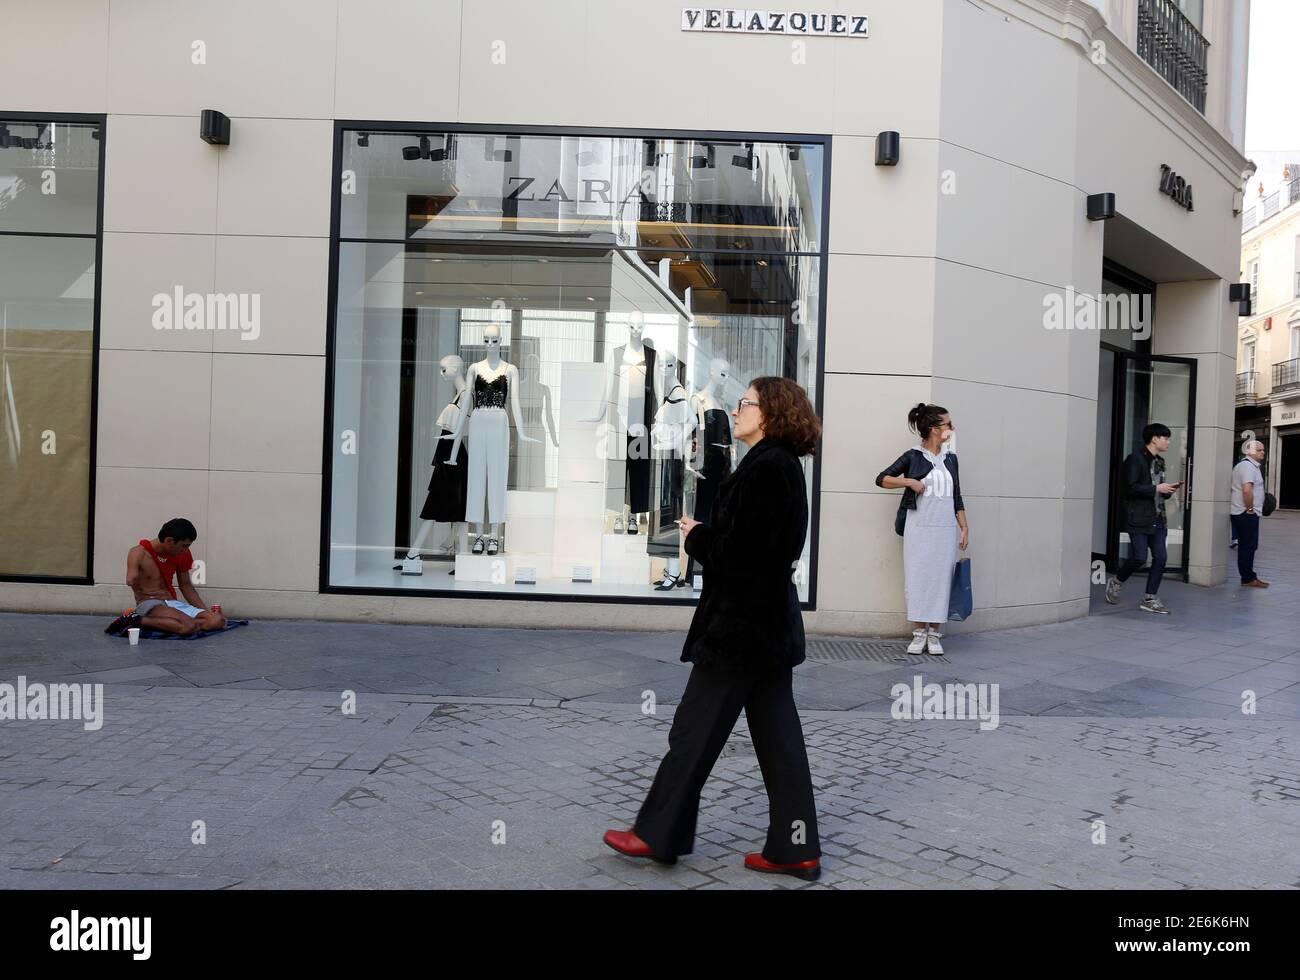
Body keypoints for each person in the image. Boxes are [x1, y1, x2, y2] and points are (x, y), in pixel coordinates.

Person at [603, 376, 823, 880]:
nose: (737, 409)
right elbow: (760, 547)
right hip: (765, 629)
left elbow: (745, 558)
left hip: (740, 631)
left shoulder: (770, 468)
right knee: (779, 742)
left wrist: (700, 539)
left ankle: (657, 834)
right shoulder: (775, 465)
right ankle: (796, 848)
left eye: (746, 403)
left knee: (693, 732)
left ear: (769, 413)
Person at [875, 403, 969, 656]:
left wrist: (964, 527)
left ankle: (935, 634)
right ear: (933, 429)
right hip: (919, 529)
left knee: (941, 579)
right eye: (948, 424)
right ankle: (919, 634)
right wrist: (909, 481)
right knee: (918, 578)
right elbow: (882, 478)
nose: (952, 428)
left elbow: (956, 495)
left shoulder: (951, 459)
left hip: (945, 529)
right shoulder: (913, 456)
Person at [106, 518, 228, 636]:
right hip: (150, 603)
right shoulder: (138, 552)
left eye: (188, 546)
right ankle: (135, 619)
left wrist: (206, 613)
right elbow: (130, 580)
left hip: (171, 602)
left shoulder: (181, 553)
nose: (186, 550)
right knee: (189, 626)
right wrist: (135, 574)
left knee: (217, 620)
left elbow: (186, 586)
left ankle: (175, 623)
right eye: (184, 545)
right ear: (169, 541)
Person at [1105, 423, 1179, 614]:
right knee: (1138, 557)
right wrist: (1156, 488)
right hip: (1138, 517)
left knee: (1161, 558)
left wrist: (1167, 490)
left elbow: (1158, 490)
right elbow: (1129, 487)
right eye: (1166, 438)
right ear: (1154, 438)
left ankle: (1150, 598)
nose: (1168, 442)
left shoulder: (1160, 461)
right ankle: (1117, 581)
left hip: (1158, 516)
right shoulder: (1135, 459)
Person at [1229, 440, 1269, 589]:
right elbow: (1247, 490)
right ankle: (1248, 578)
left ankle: (1249, 576)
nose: (1263, 452)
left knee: (1249, 546)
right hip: (1245, 513)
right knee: (1248, 546)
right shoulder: (1247, 467)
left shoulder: (1250, 466)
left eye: (1263, 450)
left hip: (1245, 512)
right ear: (1250, 451)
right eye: (1259, 450)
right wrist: (1250, 509)